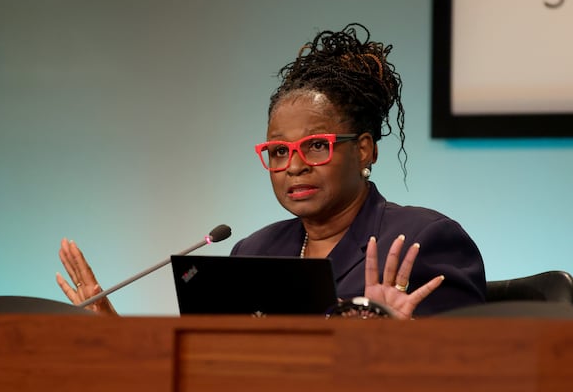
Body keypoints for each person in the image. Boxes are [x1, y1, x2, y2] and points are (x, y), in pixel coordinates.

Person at [57, 23, 486, 319]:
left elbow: (473, 368)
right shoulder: (253, 252)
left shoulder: (423, 240)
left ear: (364, 151)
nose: (294, 166)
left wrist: (395, 342)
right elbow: (212, 371)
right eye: (278, 152)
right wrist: (113, 331)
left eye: (315, 146)